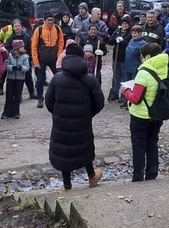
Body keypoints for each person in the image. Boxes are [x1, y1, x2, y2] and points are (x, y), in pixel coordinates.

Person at [45, 43, 105, 191]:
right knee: (83, 149)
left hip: (61, 124)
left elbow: (48, 102)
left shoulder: (57, 78)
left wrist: (59, 114)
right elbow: (100, 102)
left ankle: (66, 185)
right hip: (82, 123)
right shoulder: (90, 79)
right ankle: (92, 177)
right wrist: (87, 114)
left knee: (65, 152)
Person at [121, 43, 169, 181]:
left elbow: (135, 98)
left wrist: (126, 91)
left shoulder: (143, 72)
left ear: (147, 56)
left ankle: (137, 177)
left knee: (139, 147)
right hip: (158, 113)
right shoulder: (166, 69)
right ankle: (152, 175)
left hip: (141, 116)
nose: (141, 59)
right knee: (152, 144)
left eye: (142, 57)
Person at [31, 12, 65, 108]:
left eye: (52, 20)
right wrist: (36, 61)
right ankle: (40, 99)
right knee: (40, 80)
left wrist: (59, 56)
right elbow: (33, 46)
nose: (50, 22)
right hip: (41, 58)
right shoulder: (39, 29)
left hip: (54, 58)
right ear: (45, 20)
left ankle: (59, 97)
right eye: (48, 20)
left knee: (60, 77)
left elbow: (61, 42)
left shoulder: (58, 29)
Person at [5, 19, 36, 99]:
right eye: (15, 26)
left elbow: (30, 47)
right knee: (17, 79)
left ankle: (31, 92)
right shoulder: (10, 38)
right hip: (14, 60)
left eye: (19, 26)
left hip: (25, 59)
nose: (17, 27)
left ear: (21, 26)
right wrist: (15, 52)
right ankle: (18, 95)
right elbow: (8, 48)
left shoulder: (26, 36)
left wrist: (31, 57)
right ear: (13, 28)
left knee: (28, 77)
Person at [1, 40, 29, 119]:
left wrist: (21, 68)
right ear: (17, 48)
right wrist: (12, 68)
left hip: (20, 79)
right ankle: (6, 112)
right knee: (9, 95)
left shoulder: (25, 56)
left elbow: (27, 67)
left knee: (17, 96)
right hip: (11, 78)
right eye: (21, 46)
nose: (23, 48)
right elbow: (6, 65)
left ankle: (16, 112)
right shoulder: (9, 56)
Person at [107, 16, 132, 101]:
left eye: (126, 24)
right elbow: (110, 41)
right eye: (123, 23)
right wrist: (115, 39)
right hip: (116, 58)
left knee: (124, 77)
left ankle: (124, 93)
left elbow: (128, 43)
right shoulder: (117, 31)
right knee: (116, 76)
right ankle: (115, 92)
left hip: (124, 58)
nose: (124, 25)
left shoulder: (130, 33)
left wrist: (122, 40)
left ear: (129, 25)